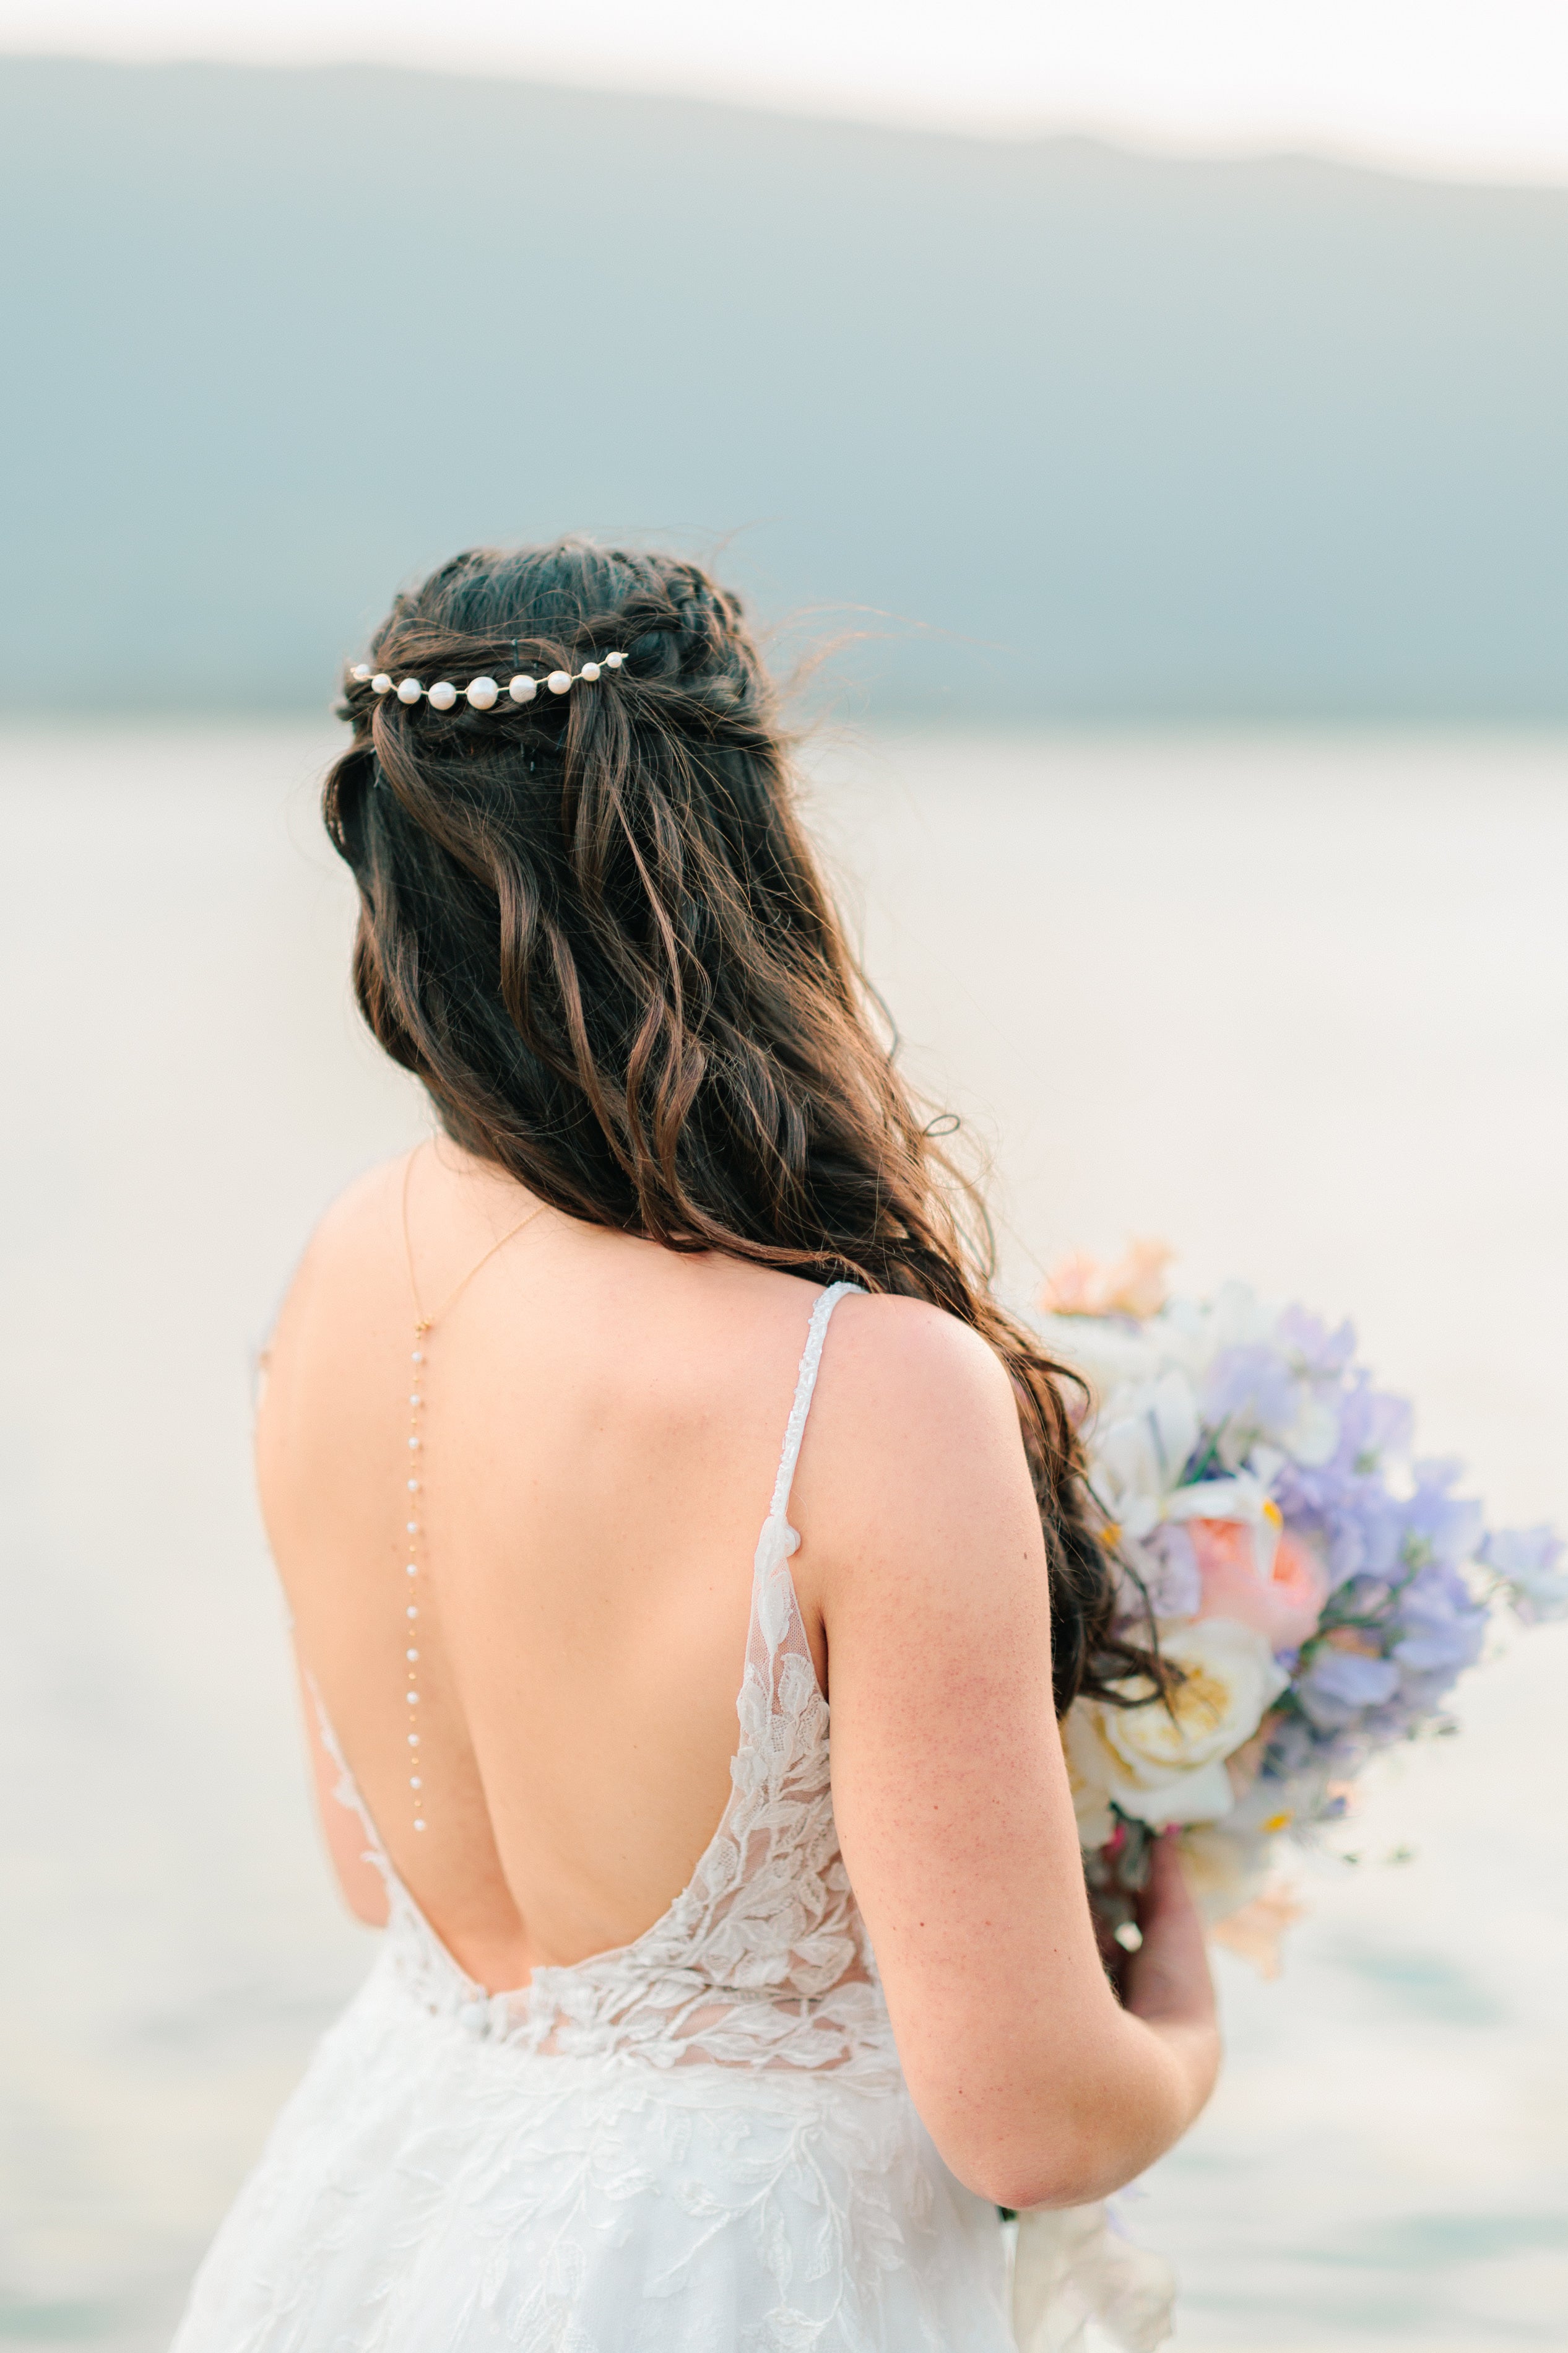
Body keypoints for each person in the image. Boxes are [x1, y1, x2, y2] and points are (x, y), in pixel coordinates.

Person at [171, 541, 1218, 2352]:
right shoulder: (867, 1390)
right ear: (740, 856)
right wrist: (1181, 2018)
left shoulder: (337, 1266)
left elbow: (379, 1870)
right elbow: (1031, 2116)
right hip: (726, 2285)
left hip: (380, 2207)